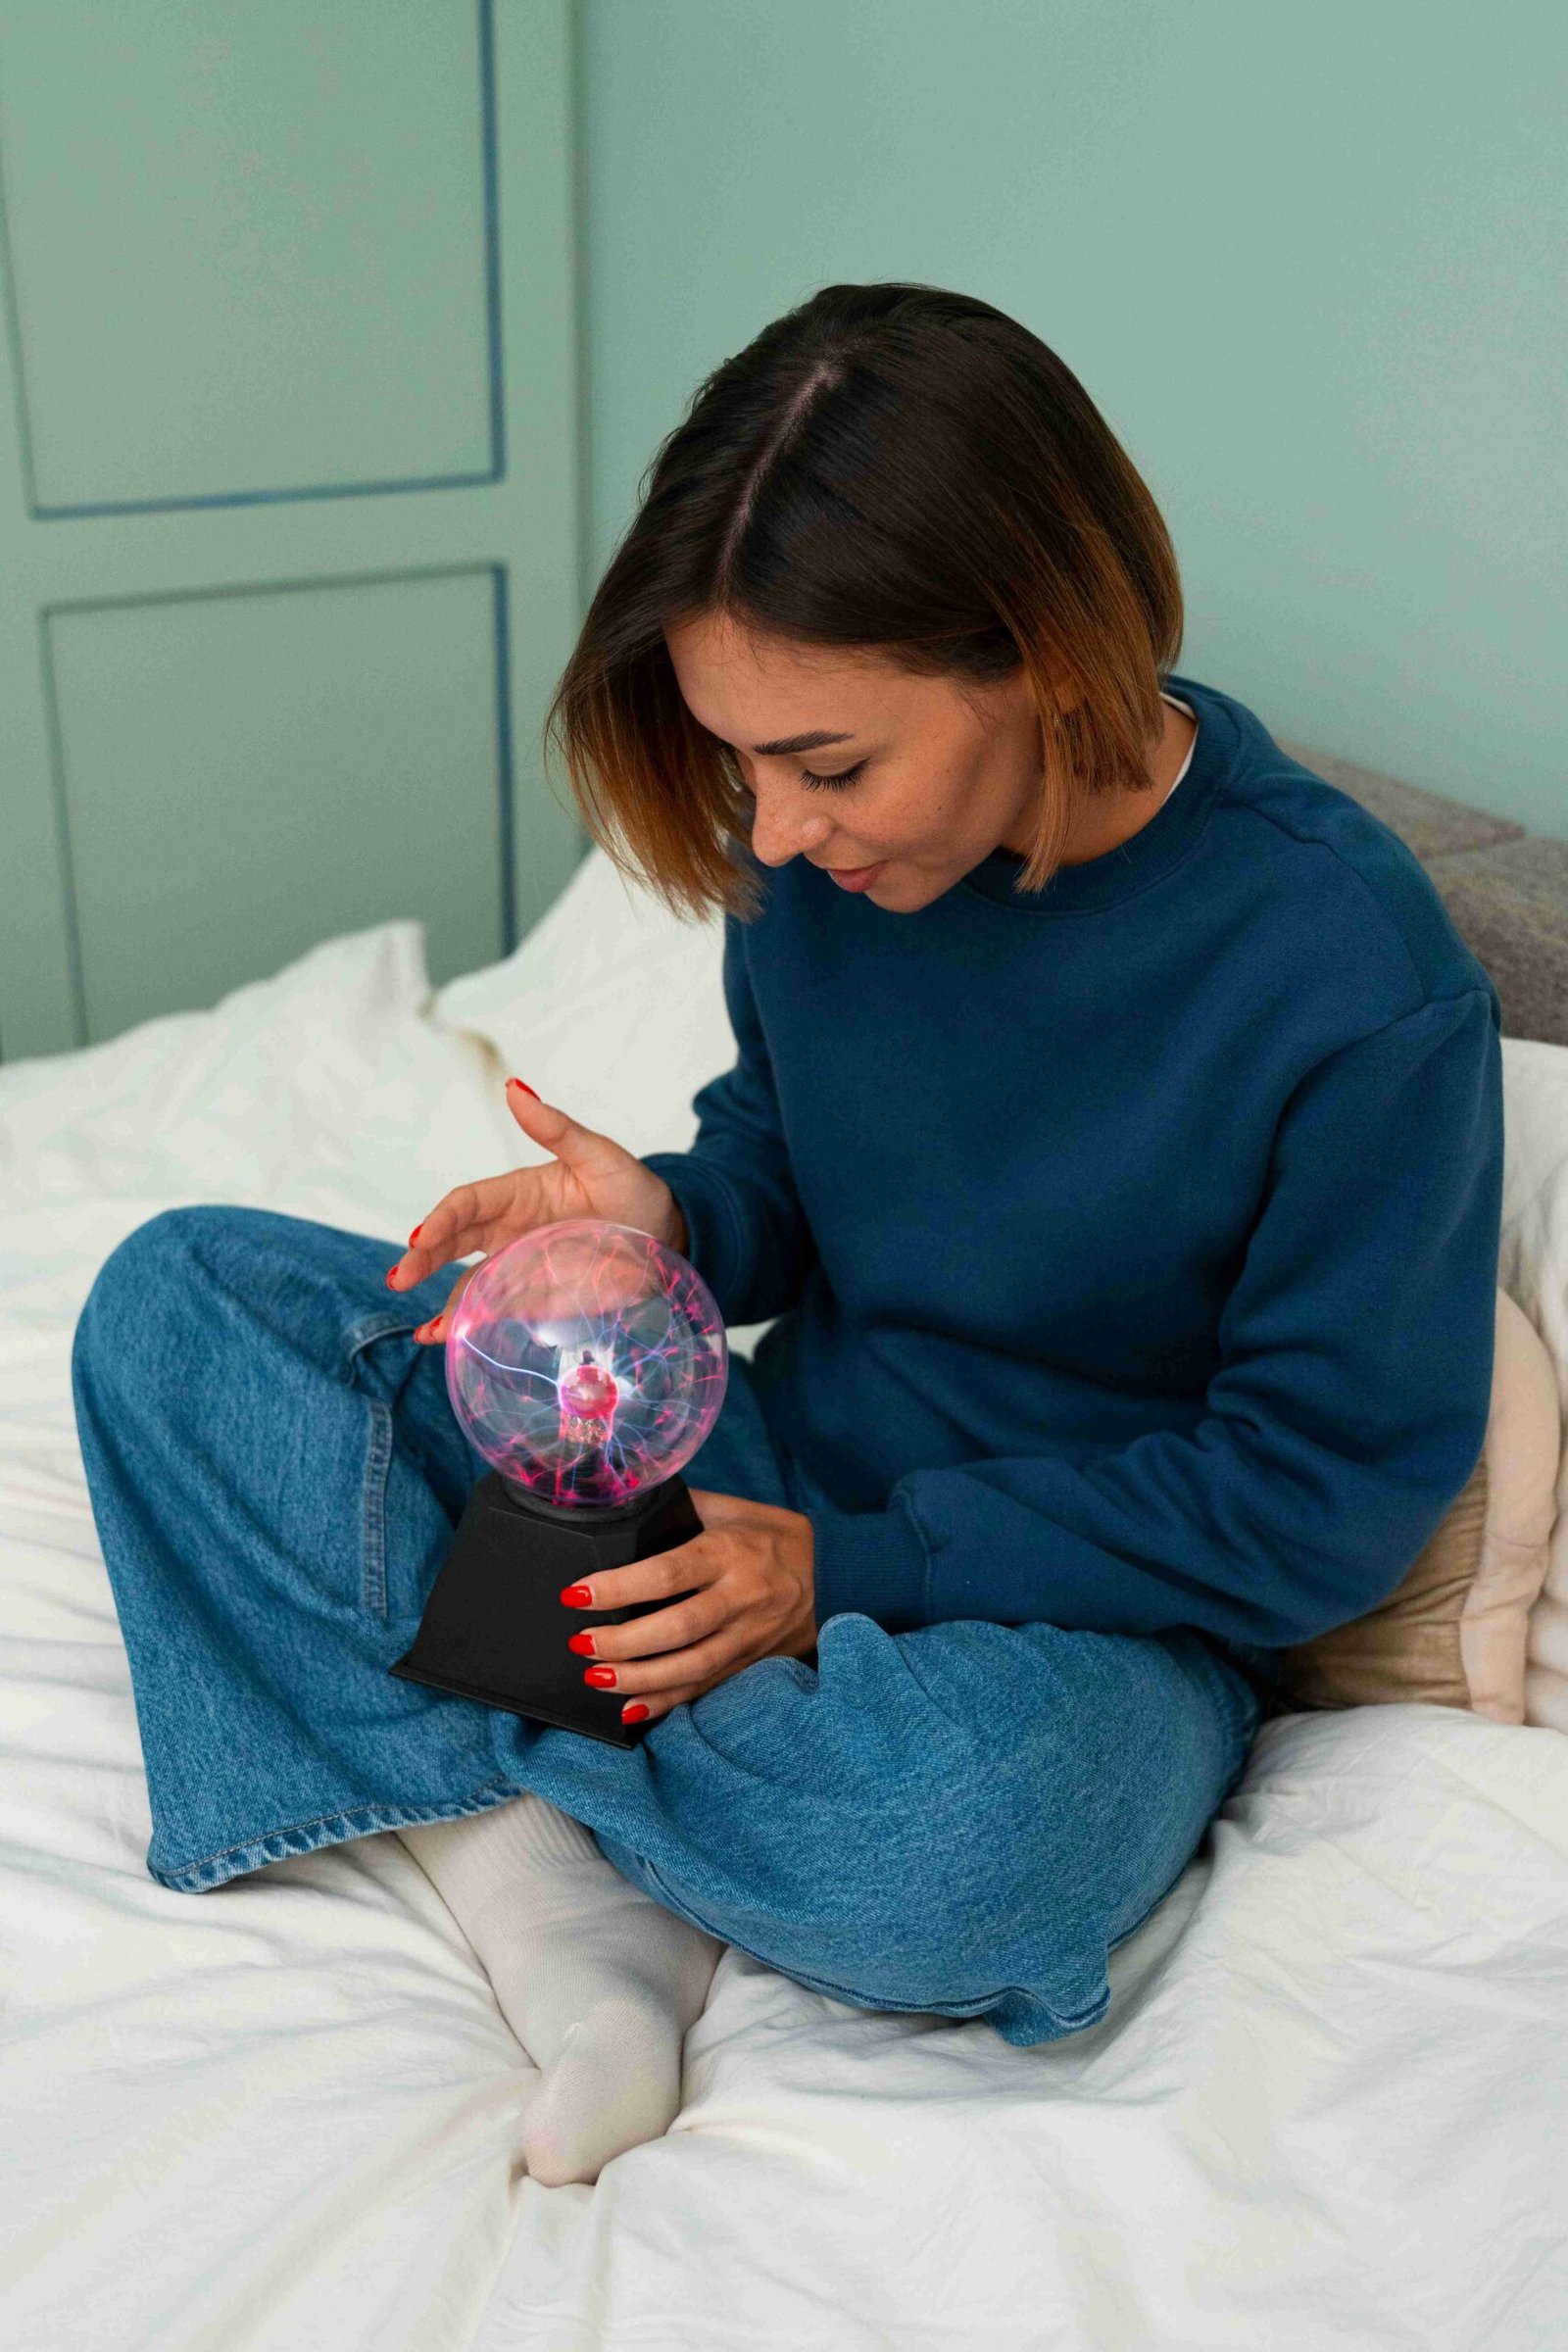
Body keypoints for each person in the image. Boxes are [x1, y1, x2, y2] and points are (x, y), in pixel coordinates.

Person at [72, 282, 1504, 2190]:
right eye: (741, 761)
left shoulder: (1338, 972)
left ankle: (485, 1749)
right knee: (185, 1305)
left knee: (955, 1847)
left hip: (1074, 1612)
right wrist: (666, 1225)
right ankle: (564, 1895)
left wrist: (848, 1572)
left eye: (827, 764)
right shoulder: (815, 865)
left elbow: (1317, 1497)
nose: (773, 835)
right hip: (766, 1474)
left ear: (1043, 650)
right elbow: (789, 1162)